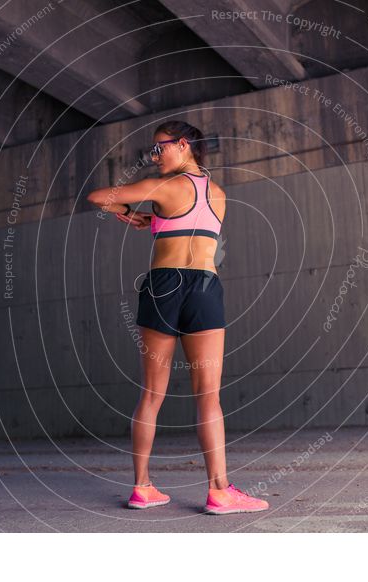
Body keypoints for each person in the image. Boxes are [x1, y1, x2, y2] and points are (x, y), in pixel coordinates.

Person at [87, 120, 269, 515]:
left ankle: (142, 487)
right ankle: (219, 491)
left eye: (159, 149)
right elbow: (192, 229)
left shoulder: (165, 188)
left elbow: (98, 196)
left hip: (163, 286)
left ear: (183, 145)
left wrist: (127, 211)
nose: (154, 157)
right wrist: (151, 219)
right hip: (204, 287)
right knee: (209, 394)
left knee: (152, 393)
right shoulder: (218, 194)